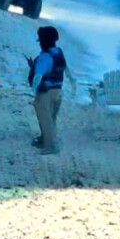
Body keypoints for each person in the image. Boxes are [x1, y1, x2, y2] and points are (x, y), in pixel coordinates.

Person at [27, 26, 74, 155]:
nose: (40, 43)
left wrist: (33, 89)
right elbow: (66, 70)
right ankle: (44, 139)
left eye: (41, 40)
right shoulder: (59, 53)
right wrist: (72, 82)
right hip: (58, 91)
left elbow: (38, 76)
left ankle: (50, 146)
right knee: (51, 118)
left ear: (44, 41)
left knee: (44, 118)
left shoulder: (44, 57)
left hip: (45, 92)